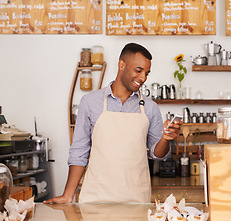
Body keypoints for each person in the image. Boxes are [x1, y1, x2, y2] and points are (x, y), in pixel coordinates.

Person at [45, 43, 181, 204]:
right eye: (138, 71)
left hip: (136, 199)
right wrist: (68, 195)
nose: (143, 78)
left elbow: (158, 154)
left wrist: (166, 138)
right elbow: (79, 151)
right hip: (95, 198)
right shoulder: (90, 102)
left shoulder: (150, 108)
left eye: (146, 73)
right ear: (121, 64)